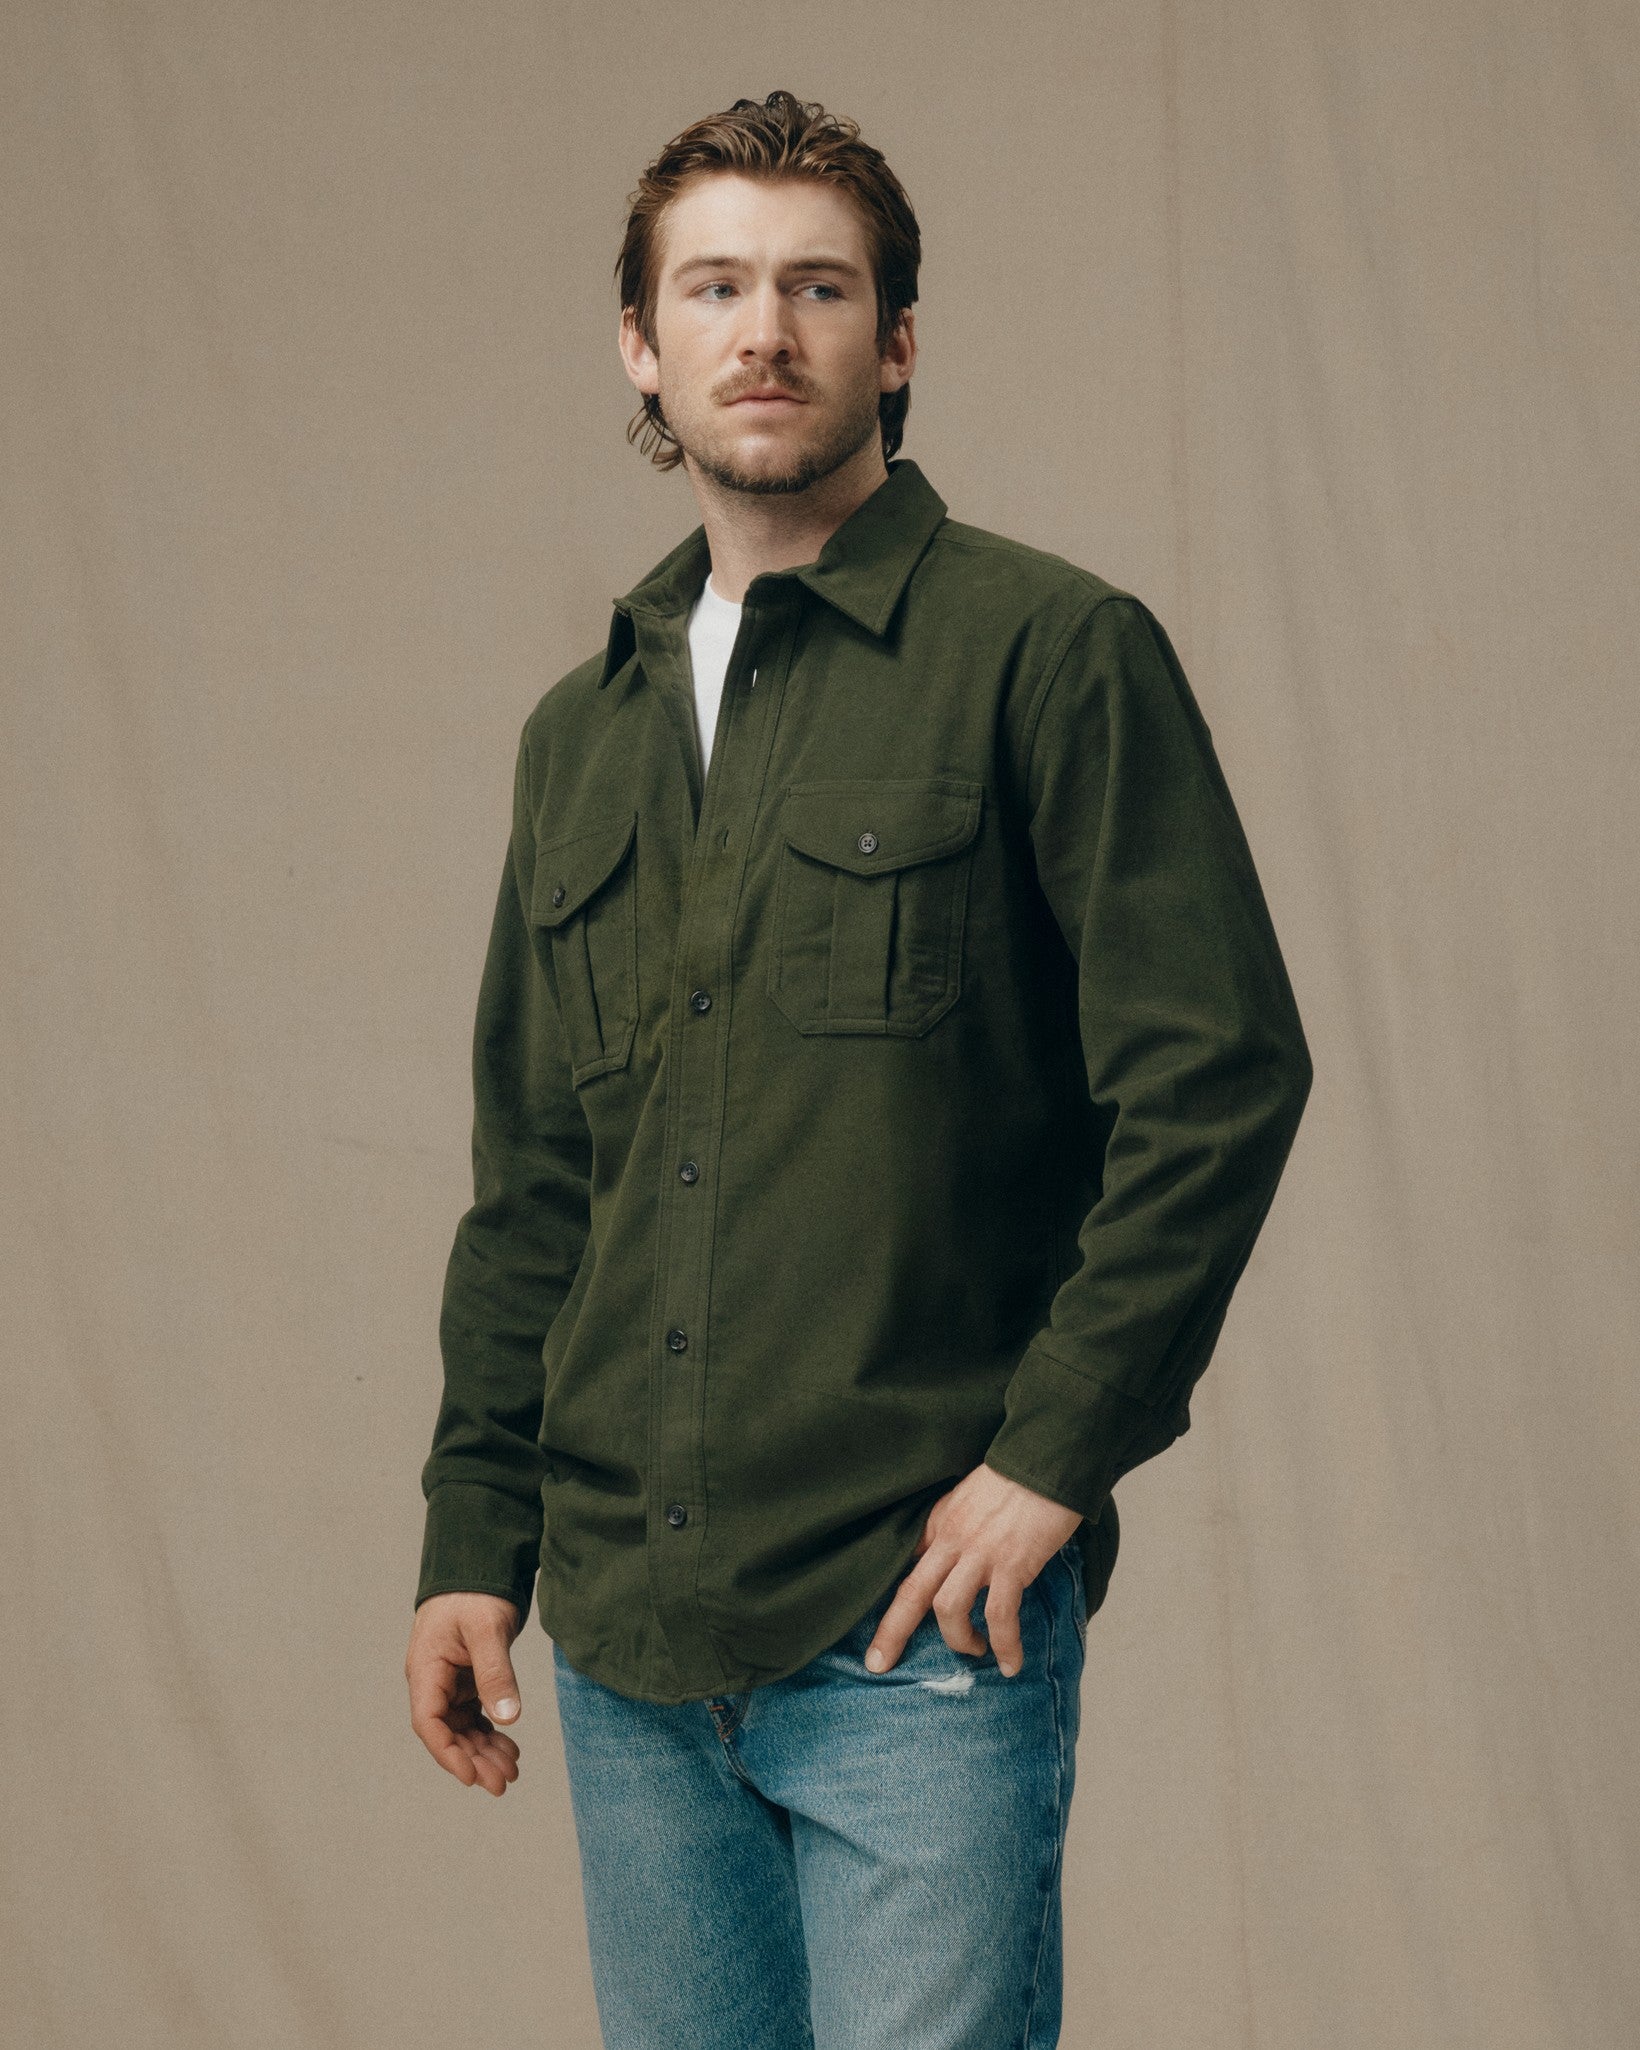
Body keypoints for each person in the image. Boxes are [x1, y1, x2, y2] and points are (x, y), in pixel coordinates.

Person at [404, 87, 1312, 2049]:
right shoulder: (582, 734)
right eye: (714, 287)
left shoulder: (1051, 652)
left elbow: (1219, 1075)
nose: (766, 331)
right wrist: (475, 1535)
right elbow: (538, 1177)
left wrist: (1052, 1453)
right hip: (629, 1641)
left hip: (913, 1628)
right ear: (639, 343)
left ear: (895, 341)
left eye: (818, 288)